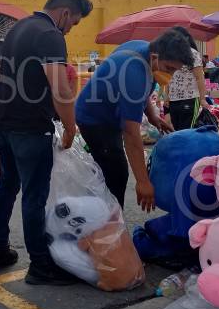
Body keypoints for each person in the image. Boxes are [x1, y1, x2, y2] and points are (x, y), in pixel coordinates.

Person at [0, 0, 92, 285]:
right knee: (34, 196)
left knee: (7, 187)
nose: (71, 29)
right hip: (31, 127)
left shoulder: (18, 28)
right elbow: (60, 87)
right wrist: (71, 126)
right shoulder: (49, 34)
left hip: (4, 123)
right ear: (65, 12)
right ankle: (41, 265)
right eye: (74, 23)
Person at [75, 29, 193, 210]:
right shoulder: (134, 74)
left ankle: (105, 218)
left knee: (108, 168)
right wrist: (143, 182)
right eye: (169, 68)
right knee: (116, 173)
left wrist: (152, 115)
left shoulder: (141, 47)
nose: (170, 75)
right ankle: (108, 226)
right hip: (95, 120)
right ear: (155, 57)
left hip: (104, 111)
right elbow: (130, 134)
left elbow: (144, 89)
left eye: (175, 71)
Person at [166, 27, 209, 131]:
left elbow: (199, 78)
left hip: (190, 98)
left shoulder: (192, 53)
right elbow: (168, 77)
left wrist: (202, 99)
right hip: (173, 99)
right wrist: (166, 96)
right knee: (176, 129)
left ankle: (188, 147)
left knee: (187, 130)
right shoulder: (170, 55)